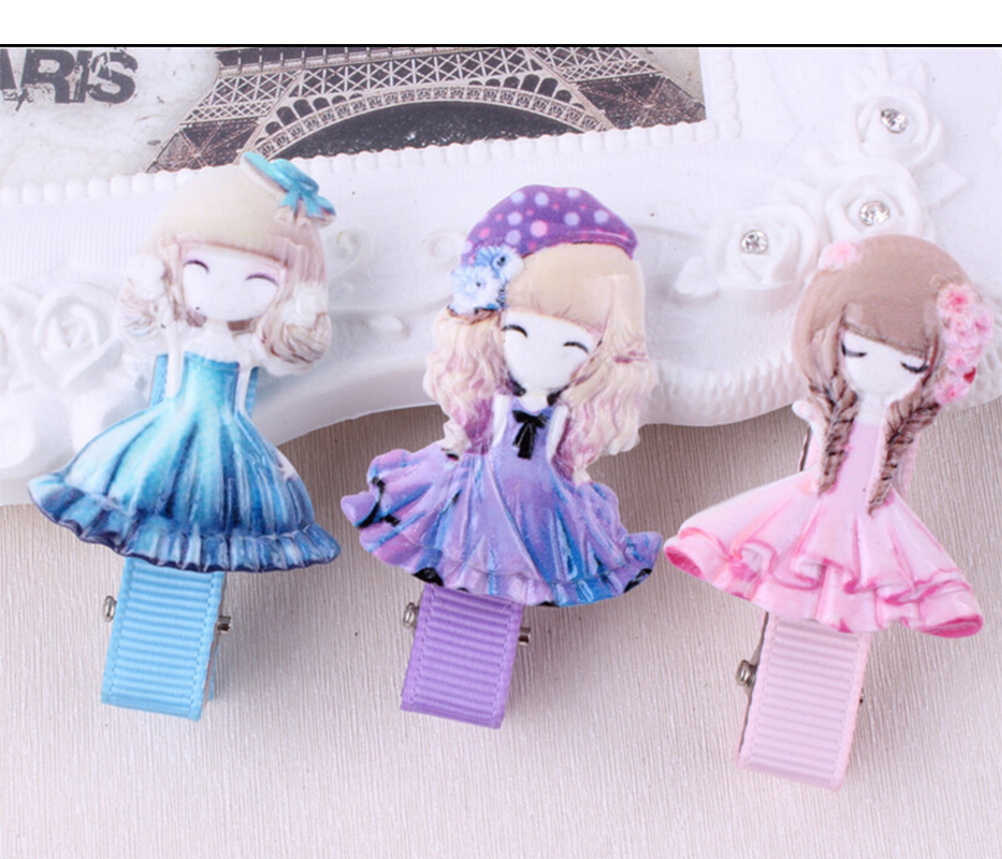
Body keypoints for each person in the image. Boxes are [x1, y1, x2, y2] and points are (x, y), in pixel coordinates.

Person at [342, 184, 660, 606]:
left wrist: (580, 484)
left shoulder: (567, 418)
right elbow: (466, 437)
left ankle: (494, 605)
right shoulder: (493, 401)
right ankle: (466, 610)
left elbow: (571, 463)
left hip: (544, 501)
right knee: (461, 540)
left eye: (573, 346)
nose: (543, 355)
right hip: (478, 486)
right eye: (520, 332)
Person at [664, 235, 994, 636]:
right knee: (794, 548)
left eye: (911, 366)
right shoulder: (830, 405)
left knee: (862, 563)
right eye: (857, 352)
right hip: (822, 494)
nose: (878, 370)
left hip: (869, 508)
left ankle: (836, 615)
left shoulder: (897, 424)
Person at [29, 153, 341, 573]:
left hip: (229, 434)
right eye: (200, 267)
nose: (226, 290)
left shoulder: (249, 346)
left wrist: (301, 318)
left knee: (220, 503)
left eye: (259, 280)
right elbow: (149, 330)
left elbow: (281, 352)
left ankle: (196, 559)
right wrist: (150, 290)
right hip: (172, 421)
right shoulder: (182, 331)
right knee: (152, 485)